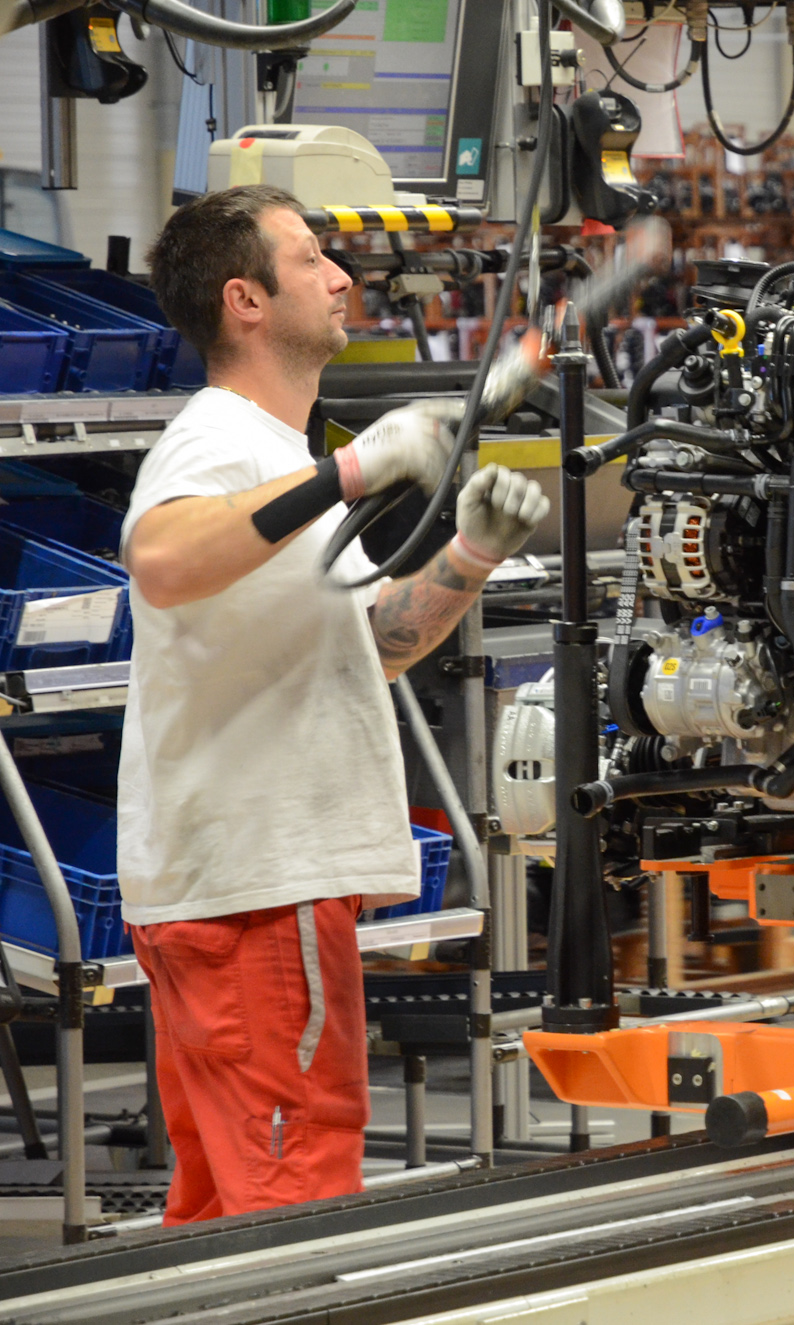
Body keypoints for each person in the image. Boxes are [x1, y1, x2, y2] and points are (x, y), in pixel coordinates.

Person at [116, 184, 550, 1223]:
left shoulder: (272, 456)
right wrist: (351, 470)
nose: (343, 277)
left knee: (225, 1213)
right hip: (258, 897)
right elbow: (159, 560)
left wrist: (471, 553)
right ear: (245, 300)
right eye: (311, 258)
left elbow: (369, 648)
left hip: (237, 893)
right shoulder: (219, 439)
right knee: (297, 1202)